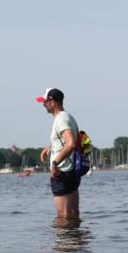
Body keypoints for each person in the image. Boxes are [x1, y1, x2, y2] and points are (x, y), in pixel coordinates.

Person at [37, 88, 80, 219]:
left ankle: (64, 240)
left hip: (62, 173)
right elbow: (67, 141)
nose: (43, 104)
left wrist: (55, 163)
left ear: (52, 102)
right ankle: (74, 239)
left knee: (63, 217)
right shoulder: (68, 116)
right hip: (71, 172)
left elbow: (71, 143)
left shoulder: (60, 119)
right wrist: (51, 147)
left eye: (45, 102)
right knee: (73, 216)